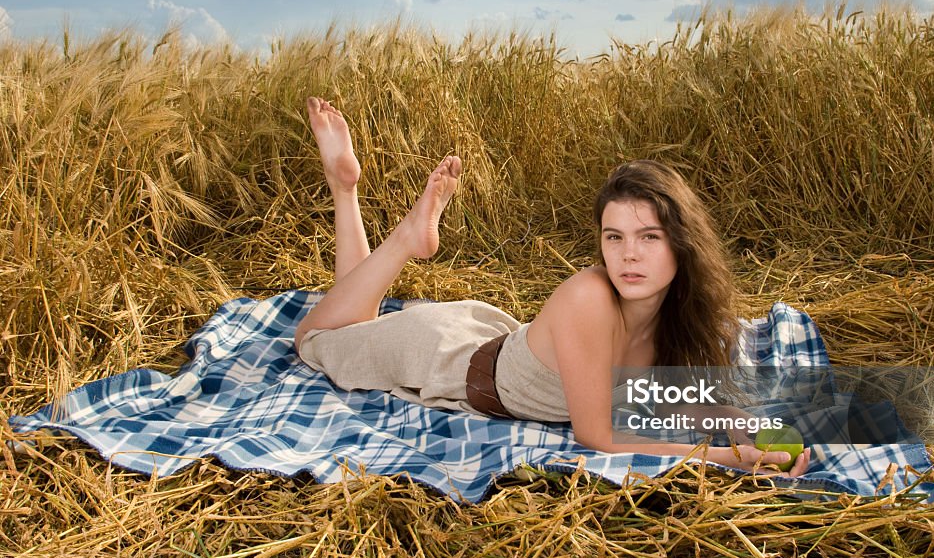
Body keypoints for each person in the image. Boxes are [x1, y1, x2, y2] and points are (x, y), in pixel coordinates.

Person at [294, 97, 811, 477]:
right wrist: (727, 457)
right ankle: (404, 234)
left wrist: (732, 419)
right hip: (442, 359)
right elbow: (597, 436)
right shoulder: (591, 295)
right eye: (615, 237)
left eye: (648, 237)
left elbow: (651, 390)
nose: (628, 254)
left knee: (354, 317)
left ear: (682, 244)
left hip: (486, 336)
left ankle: (344, 188)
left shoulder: (666, 308)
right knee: (315, 339)